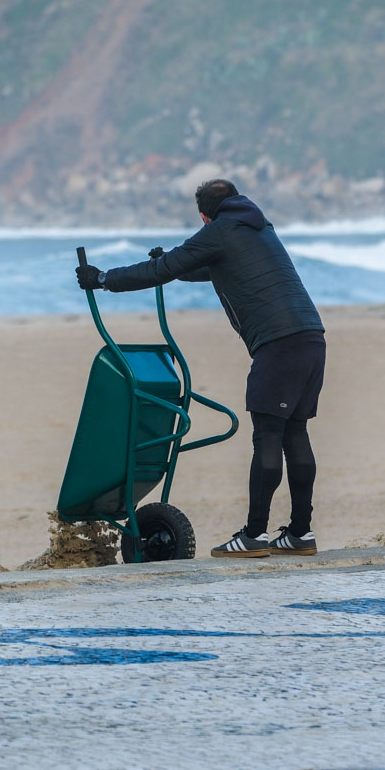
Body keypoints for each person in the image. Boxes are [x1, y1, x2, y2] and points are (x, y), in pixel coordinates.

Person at [76, 179, 326, 557]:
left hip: (277, 346)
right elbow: (214, 268)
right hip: (311, 337)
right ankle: (300, 533)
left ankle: (254, 535)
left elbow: (159, 270)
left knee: (269, 437)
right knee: (295, 433)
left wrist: (103, 279)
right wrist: (178, 264)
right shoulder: (259, 228)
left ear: (204, 216)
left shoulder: (219, 231)